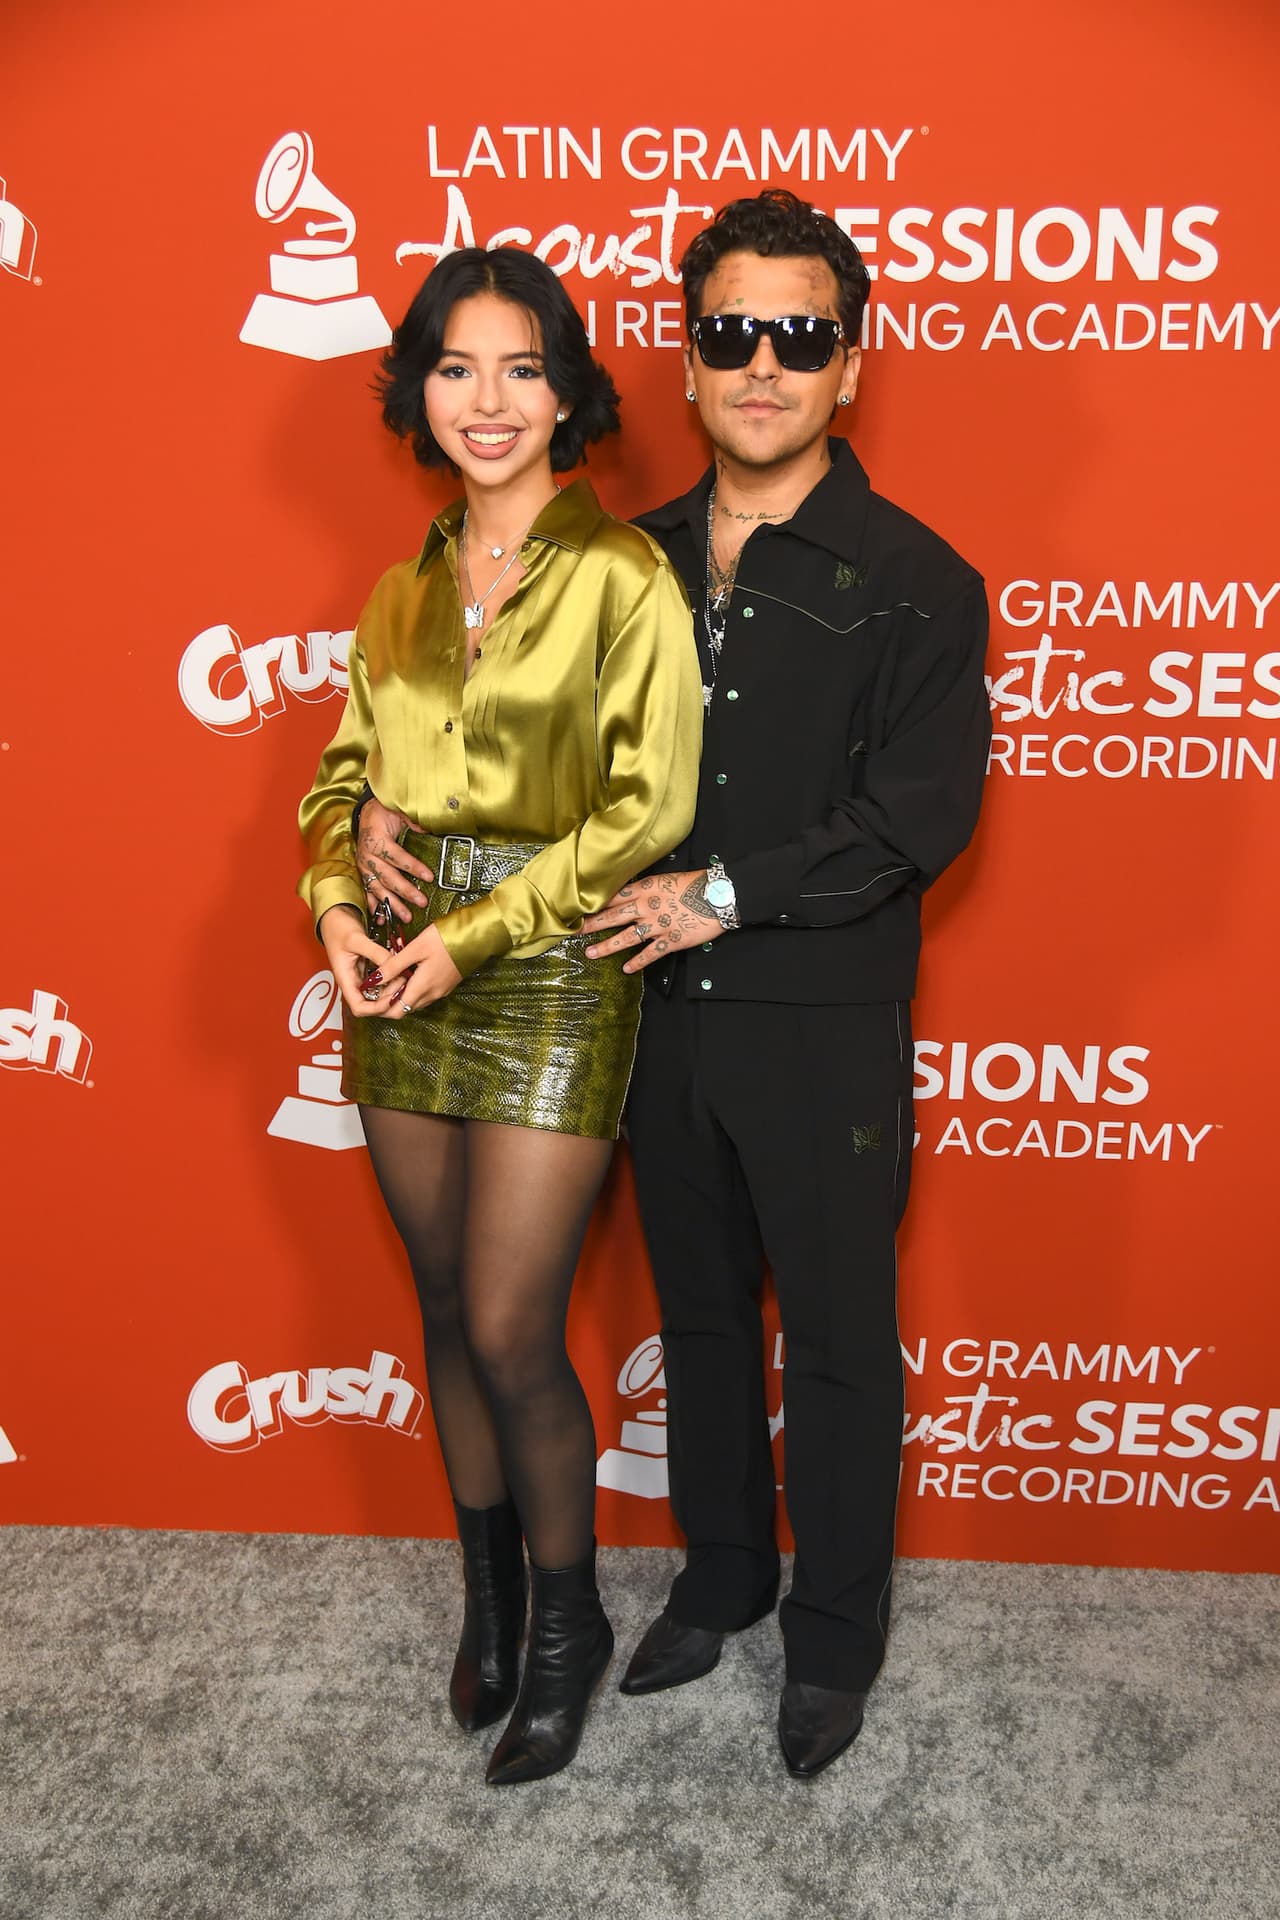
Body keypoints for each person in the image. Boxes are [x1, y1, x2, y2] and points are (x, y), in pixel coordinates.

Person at [578, 191, 991, 1777]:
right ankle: (724, 1579)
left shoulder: (917, 577)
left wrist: (721, 898)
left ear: (852, 364)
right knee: (693, 1314)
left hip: (821, 1023)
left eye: (799, 336)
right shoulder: (621, 564)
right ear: (689, 364)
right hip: (652, 1015)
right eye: (731, 332)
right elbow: (543, 757)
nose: (763, 364)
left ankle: (834, 1638)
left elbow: (919, 819)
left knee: (829, 1334)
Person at [297, 246, 702, 1786]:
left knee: (515, 1324)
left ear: (567, 391)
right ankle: (486, 1602)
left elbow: (644, 809)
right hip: (398, 968)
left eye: (521, 367)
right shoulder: (400, 588)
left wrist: (470, 937)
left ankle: (565, 1628)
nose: (488, 399)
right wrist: (338, 897)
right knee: (443, 1307)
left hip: (545, 967)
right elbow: (341, 781)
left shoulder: (622, 578)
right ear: (418, 388)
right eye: (457, 367)